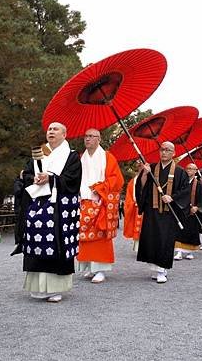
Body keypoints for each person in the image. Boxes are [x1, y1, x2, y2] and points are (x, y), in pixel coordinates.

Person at [14, 122, 82, 302]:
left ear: (64, 134)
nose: (51, 131)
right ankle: (37, 286)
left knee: (55, 244)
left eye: (55, 129)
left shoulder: (72, 156)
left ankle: (55, 288)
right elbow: (25, 175)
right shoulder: (38, 155)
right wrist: (33, 177)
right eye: (49, 129)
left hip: (57, 207)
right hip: (36, 205)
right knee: (35, 243)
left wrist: (51, 178)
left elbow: (73, 180)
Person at [135, 142, 189, 283]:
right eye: (162, 150)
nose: (164, 152)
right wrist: (145, 175)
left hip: (168, 214)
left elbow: (185, 191)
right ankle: (155, 268)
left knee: (164, 240)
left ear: (174, 153)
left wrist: (172, 197)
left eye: (168, 150)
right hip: (152, 212)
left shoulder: (179, 171)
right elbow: (141, 186)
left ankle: (161, 270)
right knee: (152, 239)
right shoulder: (151, 168)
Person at [77, 128, 124, 284]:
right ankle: (90, 267)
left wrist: (100, 188)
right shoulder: (81, 158)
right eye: (86, 136)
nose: (88, 139)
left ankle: (101, 270)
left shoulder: (107, 157)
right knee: (84, 235)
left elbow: (117, 179)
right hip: (84, 200)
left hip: (100, 201)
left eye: (91, 136)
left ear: (99, 139)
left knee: (100, 235)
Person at [173, 162, 202, 261]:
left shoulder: (199, 184)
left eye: (191, 169)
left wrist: (197, 207)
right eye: (187, 168)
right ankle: (178, 251)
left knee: (191, 231)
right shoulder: (181, 182)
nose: (189, 170)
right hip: (181, 209)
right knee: (179, 231)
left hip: (192, 211)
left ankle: (190, 251)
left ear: (196, 171)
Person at [123, 160, 144, 252]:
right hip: (135, 206)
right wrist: (132, 203)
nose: (140, 168)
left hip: (145, 207)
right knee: (136, 226)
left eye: (142, 166)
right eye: (139, 166)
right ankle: (137, 247)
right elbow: (129, 194)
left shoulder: (150, 178)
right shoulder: (133, 180)